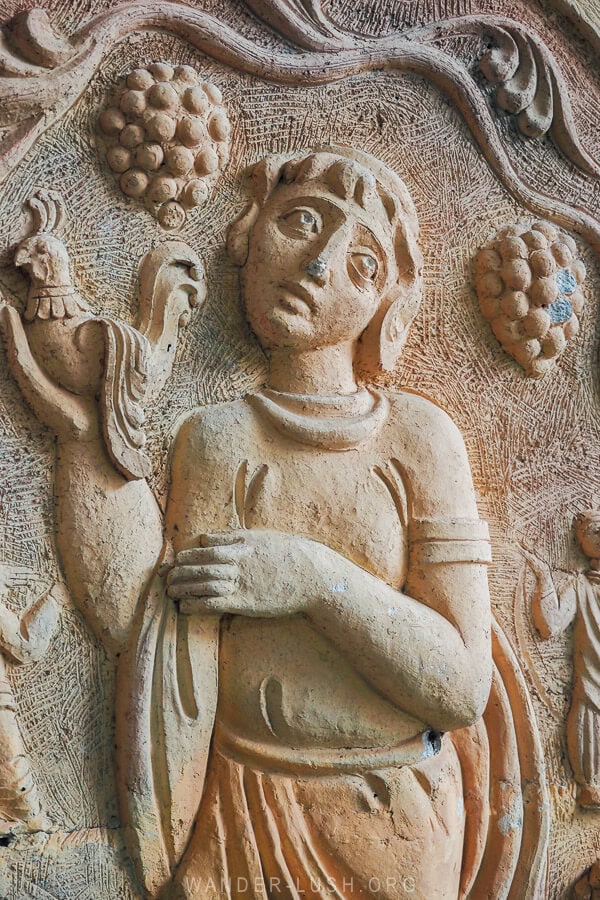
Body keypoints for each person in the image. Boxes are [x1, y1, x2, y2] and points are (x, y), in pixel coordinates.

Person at [118, 146, 493, 900]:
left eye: (362, 264)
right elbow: (176, 658)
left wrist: (314, 580)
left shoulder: (419, 440)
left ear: (388, 307)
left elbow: (459, 687)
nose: (317, 266)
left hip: (389, 817)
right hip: (238, 809)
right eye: (301, 222)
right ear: (248, 230)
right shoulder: (214, 439)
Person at [524, 509, 600, 808]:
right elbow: (549, 624)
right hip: (593, 685)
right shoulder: (580, 587)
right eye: (593, 532)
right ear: (582, 544)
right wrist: (544, 578)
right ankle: (591, 786)